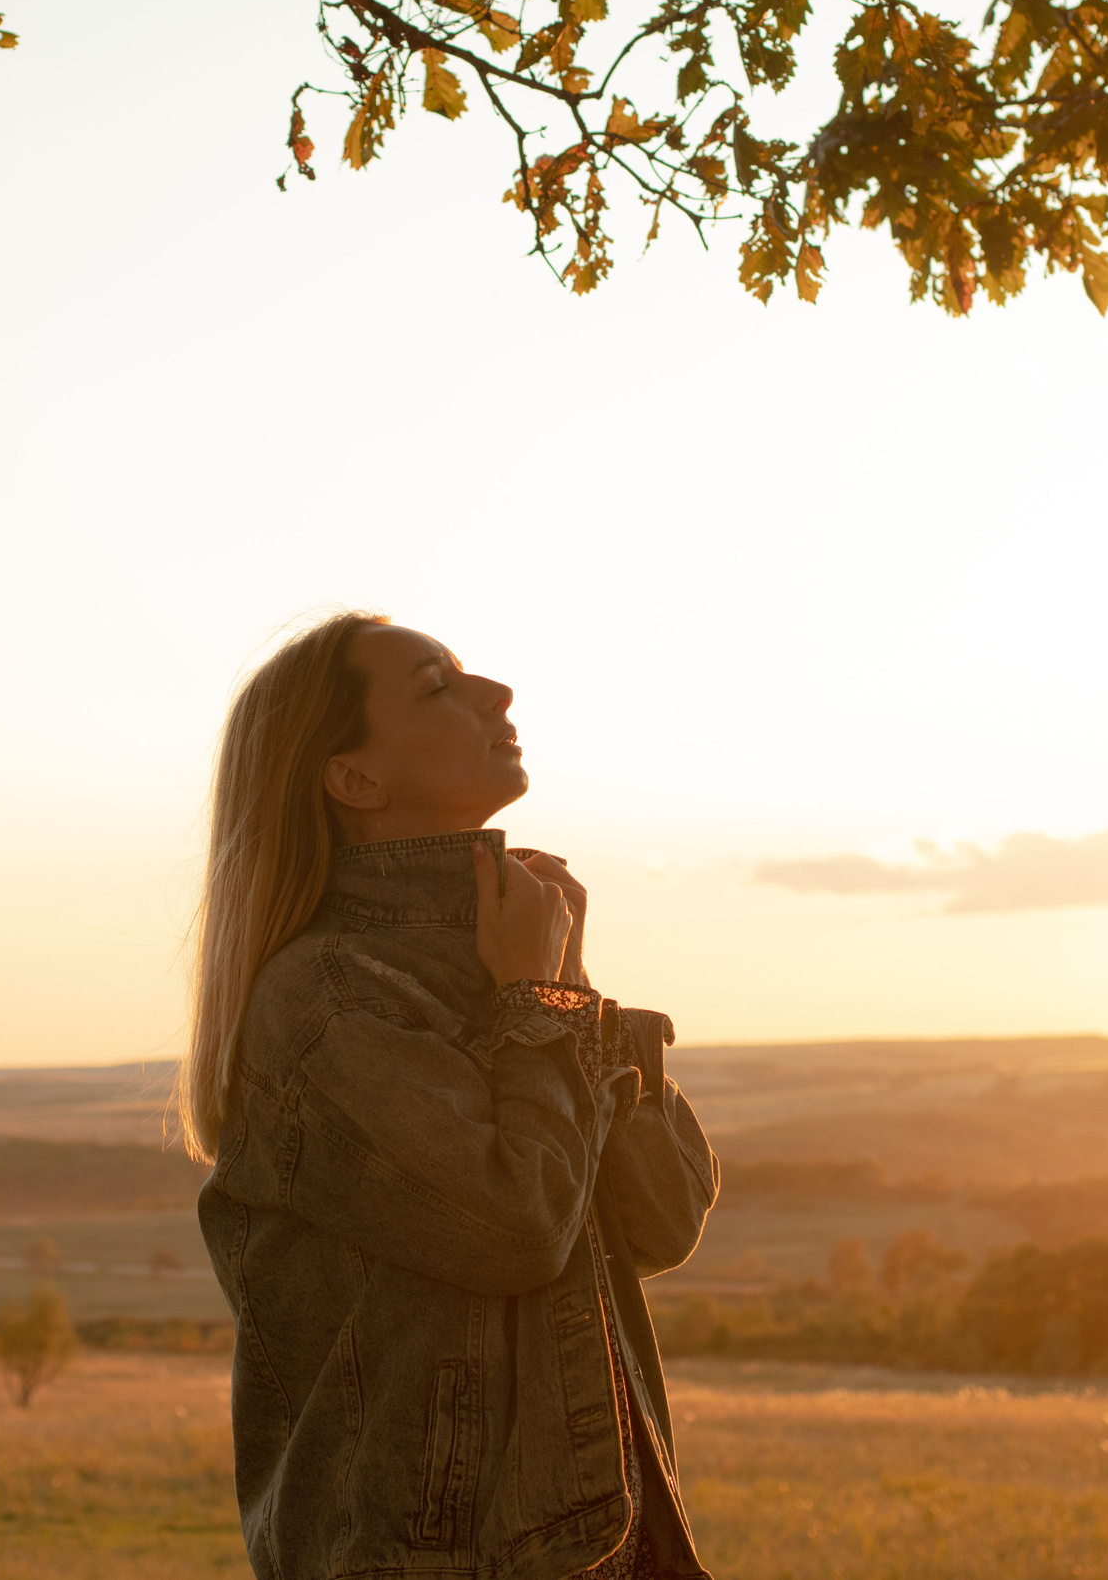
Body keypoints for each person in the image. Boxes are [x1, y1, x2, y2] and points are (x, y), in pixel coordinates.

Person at [184, 611, 718, 1580]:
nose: (496, 693)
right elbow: (517, 1226)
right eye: (437, 686)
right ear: (354, 779)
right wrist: (538, 1003)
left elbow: (659, 1220)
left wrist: (568, 990)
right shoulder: (325, 1001)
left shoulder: (505, 962)